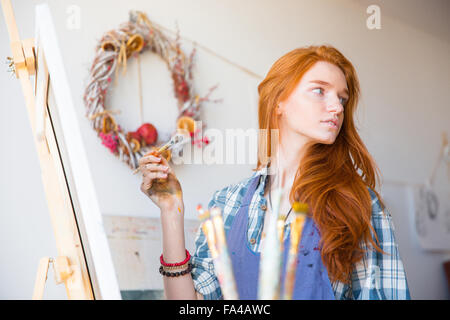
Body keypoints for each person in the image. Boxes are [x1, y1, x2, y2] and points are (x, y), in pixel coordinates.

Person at [139, 45, 411, 300]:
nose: (337, 107)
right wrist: (170, 212)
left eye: (342, 98)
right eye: (320, 91)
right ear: (279, 101)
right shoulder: (226, 204)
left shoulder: (359, 204)